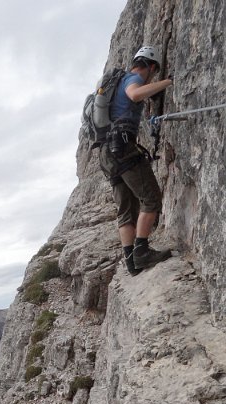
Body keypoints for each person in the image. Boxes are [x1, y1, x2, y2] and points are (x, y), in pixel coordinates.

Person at [99, 46, 173, 275]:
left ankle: (131, 262)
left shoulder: (116, 82)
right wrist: (167, 82)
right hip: (121, 148)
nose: (151, 77)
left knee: (126, 210)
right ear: (150, 67)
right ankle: (142, 251)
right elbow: (135, 94)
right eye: (153, 73)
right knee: (150, 198)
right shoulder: (132, 79)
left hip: (106, 153)